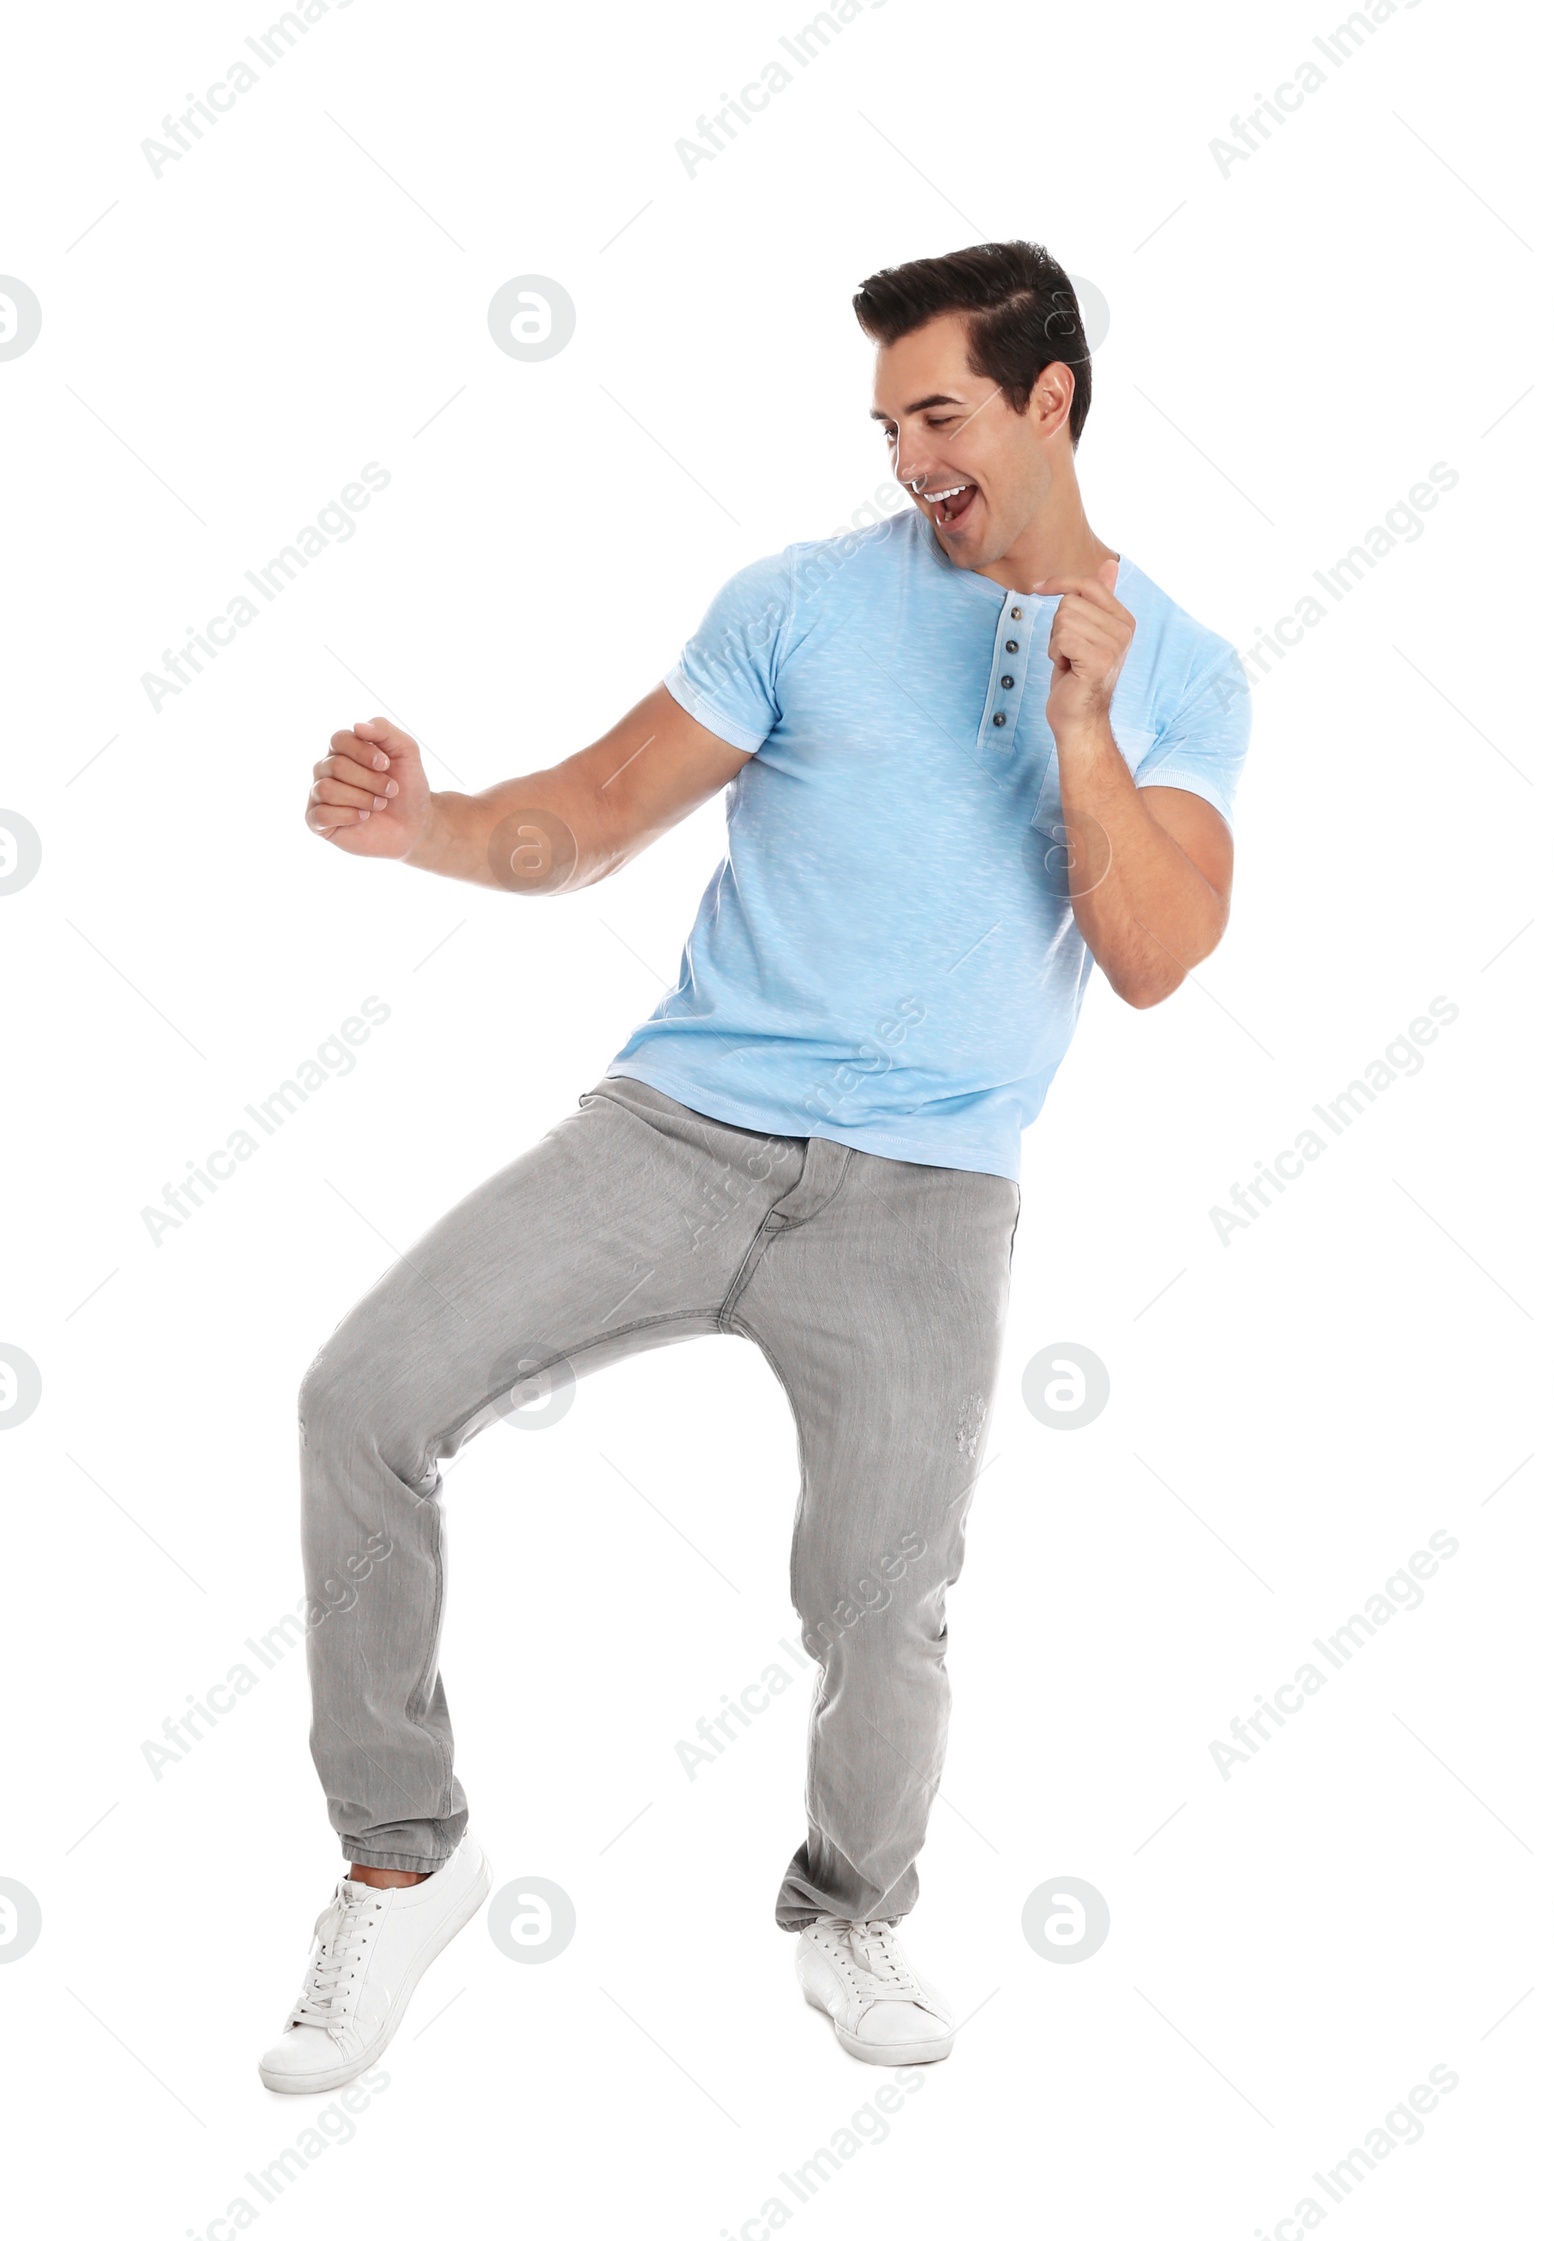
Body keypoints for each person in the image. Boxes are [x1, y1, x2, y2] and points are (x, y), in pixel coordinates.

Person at [258, 239, 1250, 2093]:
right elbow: (593, 817)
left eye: (938, 414)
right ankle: (406, 1854)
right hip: (679, 1134)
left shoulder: (1183, 672)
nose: (906, 459)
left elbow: (1156, 957)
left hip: (926, 1200)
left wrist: (1086, 730)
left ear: (1050, 400)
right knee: (359, 1398)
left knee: (884, 1602)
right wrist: (427, 829)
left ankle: (851, 1909)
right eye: (885, 424)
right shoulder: (798, 601)